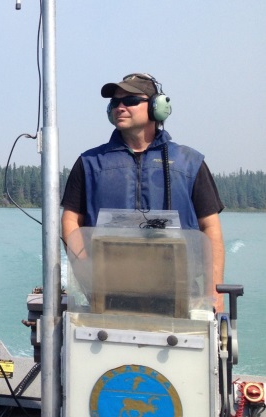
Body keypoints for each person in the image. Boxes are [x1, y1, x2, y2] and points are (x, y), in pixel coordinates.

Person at [61, 72, 226, 310]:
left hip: (182, 299)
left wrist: (215, 293)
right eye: (114, 102)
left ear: (157, 107)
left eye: (130, 101)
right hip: (106, 300)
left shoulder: (190, 163)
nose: (120, 107)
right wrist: (87, 272)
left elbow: (210, 227)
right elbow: (70, 219)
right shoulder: (89, 163)